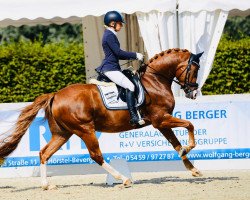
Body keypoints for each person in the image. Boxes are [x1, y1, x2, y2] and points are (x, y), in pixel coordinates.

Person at [96, 10, 145, 126]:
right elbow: (118, 53)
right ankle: (134, 117)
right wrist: (135, 55)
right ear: (112, 23)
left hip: (113, 67)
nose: (122, 25)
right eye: (120, 23)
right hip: (110, 69)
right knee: (130, 86)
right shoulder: (109, 35)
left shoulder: (110, 34)